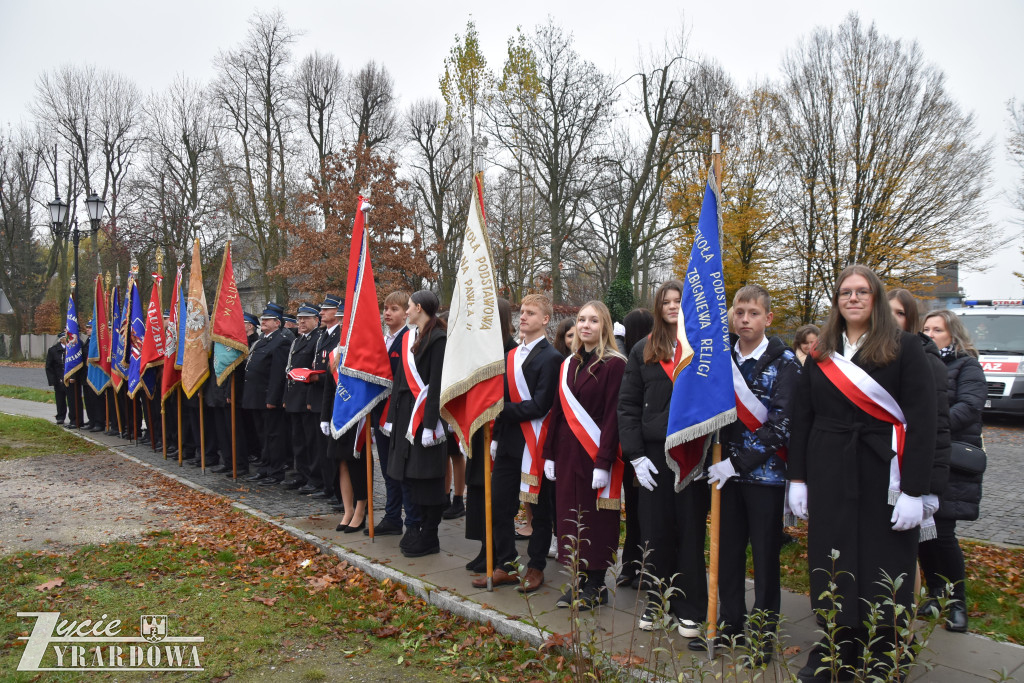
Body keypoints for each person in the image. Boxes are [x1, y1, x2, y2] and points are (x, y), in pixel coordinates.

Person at [788, 265, 936, 682]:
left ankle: (885, 648)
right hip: (829, 467)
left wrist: (915, 490)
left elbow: (924, 422)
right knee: (832, 552)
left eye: (862, 291)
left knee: (883, 555)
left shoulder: (906, 348)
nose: (852, 298)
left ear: (876, 297)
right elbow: (803, 417)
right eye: (845, 292)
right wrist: (796, 478)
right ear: (837, 301)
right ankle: (838, 643)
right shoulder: (821, 353)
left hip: (883, 469)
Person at [688, 285, 800, 658]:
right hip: (725, 476)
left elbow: (781, 426)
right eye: (740, 312)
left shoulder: (786, 363)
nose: (745, 319)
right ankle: (730, 623)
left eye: (753, 313)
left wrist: (736, 462)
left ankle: (764, 632)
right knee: (727, 552)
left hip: (764, 477)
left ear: (768, 318)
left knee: (765, 556)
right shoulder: (720, 360)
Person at [619, 281, 708, 636]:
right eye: (667, 302)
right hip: (653, 456)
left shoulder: (703, 350)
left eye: (679, 301)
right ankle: (657, 602)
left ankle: (690, 607)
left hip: (692, 452)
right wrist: (636, 456)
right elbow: (626, 407)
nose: (673, 306)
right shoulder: (643, 349)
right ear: (658, 308)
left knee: (689, 531)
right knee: (654, 532)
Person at [473, 294, 563, 592]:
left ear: (546, 320)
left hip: (537, 445)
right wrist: (497, 434)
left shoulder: (552, 358)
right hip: (510, 442)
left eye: (531, 313)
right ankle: (507, 564)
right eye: (522, 312)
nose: (522, 317)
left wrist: (497, 411)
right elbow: (505, 396)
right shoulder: (510, 356)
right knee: (499, 504)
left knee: (538, 510)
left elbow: (539, 406)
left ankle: (536, 566)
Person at [543, 300, 626, 610]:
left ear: (604, 325)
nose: (586, 325)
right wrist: (549, 454)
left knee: (596, 519)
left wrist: (604, 462)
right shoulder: (569, 363)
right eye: (581, 320)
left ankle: (596, 583)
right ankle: (577, 579)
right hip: (566, 455)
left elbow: (613, 417)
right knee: (568, 516)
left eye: (593, 320)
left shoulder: (615, 364)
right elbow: (558, 413)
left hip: (595, 457)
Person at [919, 309, 986, 634]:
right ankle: (934, 594)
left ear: (952, 334)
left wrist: (933, 427)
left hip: (951, 459)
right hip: (923, 458)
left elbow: (970, 405)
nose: (930, 334)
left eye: (938, 329)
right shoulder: (919, 363)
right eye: (927, 329)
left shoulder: (967, 364)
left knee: (943, 535)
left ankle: (956, 602)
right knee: (922, 534)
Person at [385, 290, 449, 558]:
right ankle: (416, 527)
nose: (407, 311)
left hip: (425, 420)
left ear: (419, 308)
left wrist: (432, 424)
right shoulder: (412, 337)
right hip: (404, 417)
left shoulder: (438, 339)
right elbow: (400, 379)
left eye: (409, 307)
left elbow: (437, 385)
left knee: (428, 480)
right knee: (408, 476)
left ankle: (430, 533)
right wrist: (390, 419)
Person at [465, 298, 516, 569]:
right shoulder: (481, 350)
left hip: (498, 429)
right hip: (478, 426)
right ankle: (484, 546)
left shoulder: (510, 350)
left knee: (494, 494)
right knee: (476, 488)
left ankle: (496, 551)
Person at [368, 291, 416, 535]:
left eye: (394, 309)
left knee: (401, 471)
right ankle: (392, 516)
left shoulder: (409, 339)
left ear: (406, 313)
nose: (387, 313)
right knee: (387, 469)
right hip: (380, 413)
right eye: (385, 308)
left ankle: (410, 521)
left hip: (400, 416)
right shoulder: (381, 340)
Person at [616, 307, 654, 590]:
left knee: (637, 510)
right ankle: (639, 564)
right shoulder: (638, 357)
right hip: (643, 445)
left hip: (633, 446)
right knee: (643, 511)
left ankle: (632, 564)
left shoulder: (636, 356)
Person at [242, 302, 291, 485]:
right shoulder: (262, 340)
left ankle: (275, 471)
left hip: (268, 398)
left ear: (277, 323)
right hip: (255, 397)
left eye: (268, 319)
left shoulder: (281, 341)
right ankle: (264, 467)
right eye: (263, 319)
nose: (263, 322)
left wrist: (272, 398)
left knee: (273, 436)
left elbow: (277, 374)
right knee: (262, 435)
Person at [282, 303, 324, 493]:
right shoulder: (297, 341)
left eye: (306, 318)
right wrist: (285, 396)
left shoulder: (317, 339)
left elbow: (313, 371)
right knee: (297, 441)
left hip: (307, 397)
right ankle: (302, 474)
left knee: (311, 442)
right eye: (299, 319)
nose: (301, 322)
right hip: (294, 397)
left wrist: (308, 400)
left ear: (316, 320)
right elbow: (289, 371)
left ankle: (315, 479)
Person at [46, 333, 71, 425]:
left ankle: (74, 418)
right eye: (65, 337)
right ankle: (60, 417)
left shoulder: (72, 349)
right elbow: (49, 367)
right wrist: (52, 380)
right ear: (61, 339)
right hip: (59, 379)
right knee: (60, 399)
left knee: (72, 399)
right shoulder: (53, 350)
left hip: (70, 378)